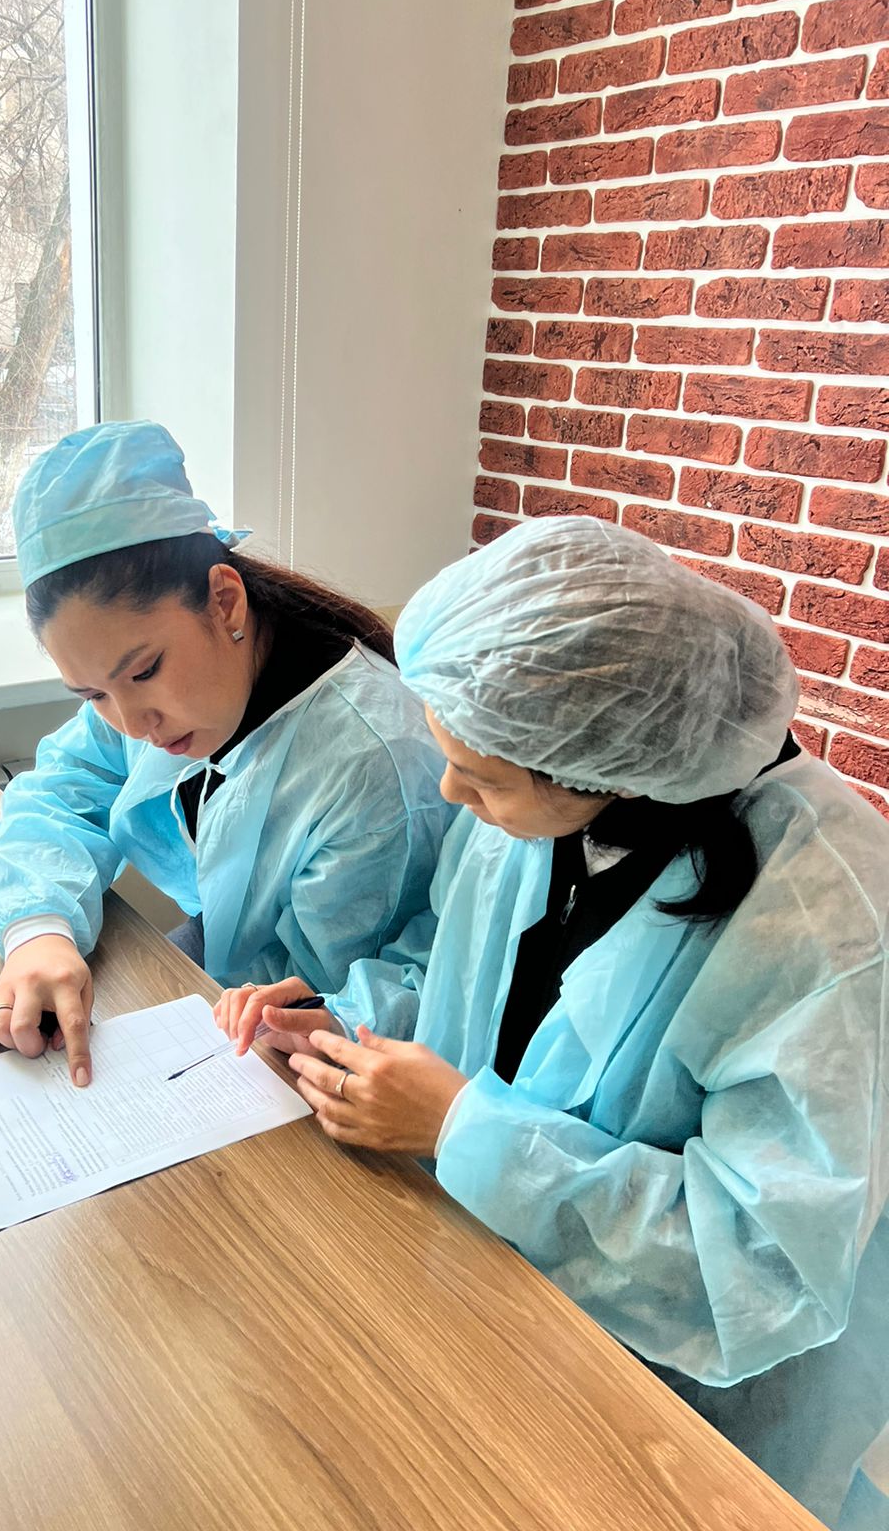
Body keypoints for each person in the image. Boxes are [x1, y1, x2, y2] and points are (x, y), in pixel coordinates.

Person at [221, 517, 889, 1530]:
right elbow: (455, 966)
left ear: (602, 769)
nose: (450, 793)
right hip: (499, 1296)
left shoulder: (824, 917)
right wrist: (339, 1021)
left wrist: (461, 1128)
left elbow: (762, 1265)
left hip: (690, 1408)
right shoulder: (537, 800)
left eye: (481, 778)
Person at [0, 419, 451, 1092]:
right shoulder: (150, 691)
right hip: (215, 993)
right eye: (93, 694)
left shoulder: (373, 765)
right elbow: (61, 788)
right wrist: (39, 930)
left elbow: (336, 1004)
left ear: (225, 600)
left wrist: (303, 1017)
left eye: (144, 672)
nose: (133, 724)